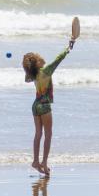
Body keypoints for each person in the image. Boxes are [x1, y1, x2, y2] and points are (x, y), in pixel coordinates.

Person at [22, 37, 75, 176]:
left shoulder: (32, 75)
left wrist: (29, 67)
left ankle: (35, 161)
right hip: (44, 106)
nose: (42, 58)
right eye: (39, 58)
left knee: (38, 134)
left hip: (35, 106)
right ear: (38, 63)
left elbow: (26, 78)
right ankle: (44, 162)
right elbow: (58, 59)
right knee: (48, 135)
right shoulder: (45, 71)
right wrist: (69, 48)